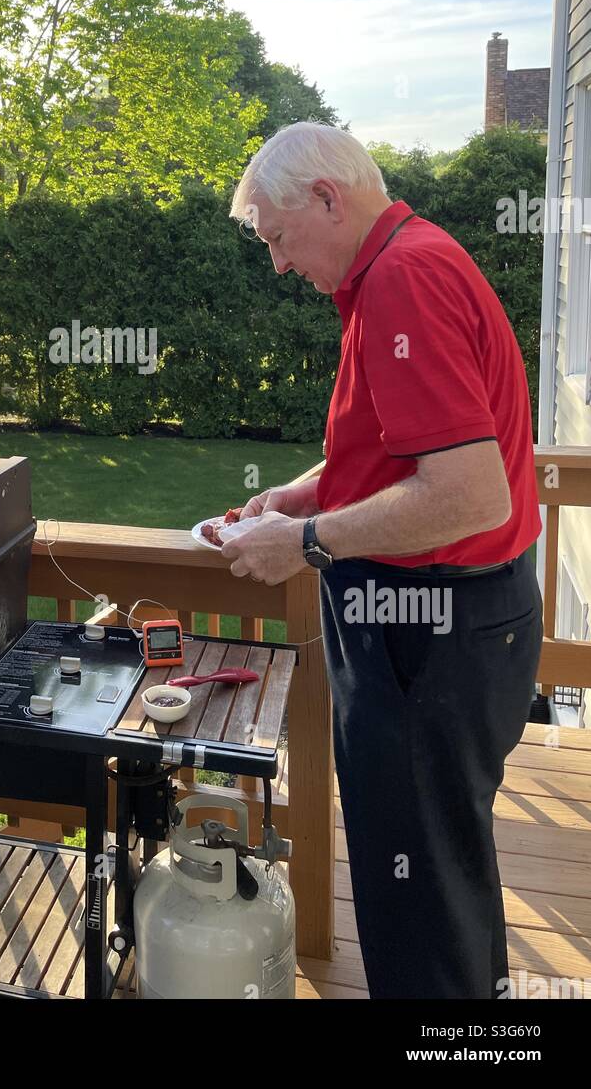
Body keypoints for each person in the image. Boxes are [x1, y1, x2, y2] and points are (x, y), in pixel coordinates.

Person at [223, 121, 542, 1000]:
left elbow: (472, 496)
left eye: (279, 239)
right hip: (460, 625)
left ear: (326, 198)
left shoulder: (402, 279)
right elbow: (400, 453)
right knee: (442, 863)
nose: (279, 265)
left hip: (429, 634)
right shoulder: (411, 260)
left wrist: (302, 543)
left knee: (413, 883)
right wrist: (305, 493)